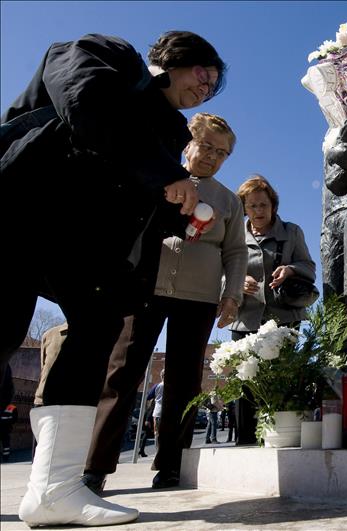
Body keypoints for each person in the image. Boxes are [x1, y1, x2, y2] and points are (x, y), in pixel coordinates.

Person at [1, 31, 226, 527]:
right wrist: (166, 175)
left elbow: (138, 196)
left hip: (81, 245)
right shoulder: (104, 57)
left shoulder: (169, 132)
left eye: (214, 88)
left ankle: (56, 489)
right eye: (203, 75)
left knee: (99, 324)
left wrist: (180, 217)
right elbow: (86, 105)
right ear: (173, 59)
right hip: (19, 210)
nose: (205, 89)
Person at [82, 112, 247, 493]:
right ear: (187, 143)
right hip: (144, 288)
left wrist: (232, 295)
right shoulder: (157, 178)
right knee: (122, 371)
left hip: (200, 296)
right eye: (205, 146)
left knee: (184, 381)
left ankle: (171, 464)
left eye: (221, 153)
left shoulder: (228, 200)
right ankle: (96, 467)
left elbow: (236, 251)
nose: (211, 157)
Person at [230, 175, 316, 444]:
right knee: (246, 384)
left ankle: (281, 440)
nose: (258, 211)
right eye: (252, 206)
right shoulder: (233, 233)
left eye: (263, 205)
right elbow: (221, 270)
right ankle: (245, 441)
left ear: (273, 206)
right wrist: (234, 281)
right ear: (244, 207)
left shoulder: (292, 232)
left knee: (280, 382)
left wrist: (291, 269)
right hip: (245, 321)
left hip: (283, 321)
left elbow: (309, 268)